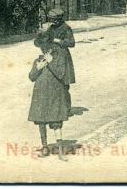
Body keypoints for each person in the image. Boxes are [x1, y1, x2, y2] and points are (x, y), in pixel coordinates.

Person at [28, 23, 71, 161]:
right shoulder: (38, 60)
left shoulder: (59, 59)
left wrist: (51, 62)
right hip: (40, 94)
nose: (45, 50)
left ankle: (60, 150)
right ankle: (45, 147)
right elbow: (31, 77)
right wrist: (38, 68)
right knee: (41, 120)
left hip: (55, 93)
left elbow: (61, 74)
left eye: (47, 47)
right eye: (43, 48)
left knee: (56, 121)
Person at [43, 8, 76, 107]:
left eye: (54, 19)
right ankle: (57, 107)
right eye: (51, 19)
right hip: (52, 57)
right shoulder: (52, 28)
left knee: (64, 84)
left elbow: (72, 43)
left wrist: (58, 41)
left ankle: (67, 107)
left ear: (59, 19)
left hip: (63, 58)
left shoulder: (66, 28)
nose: (52, 22)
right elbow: (45, 39)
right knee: (54, 83)